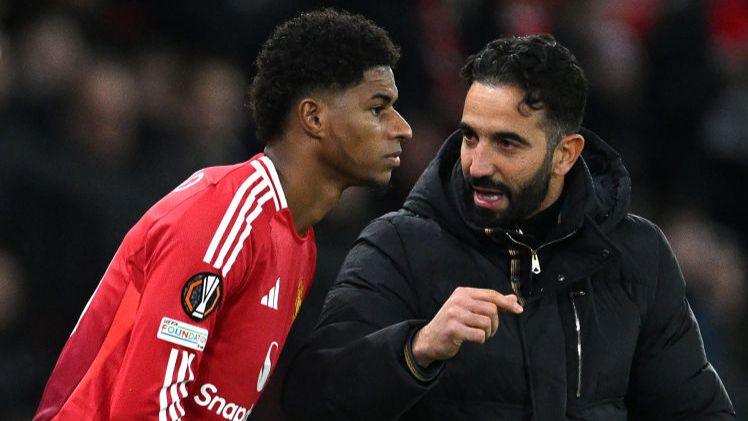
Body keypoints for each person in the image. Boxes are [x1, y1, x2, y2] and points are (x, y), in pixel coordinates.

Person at [282, 34, 735, 420]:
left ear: (566, 153)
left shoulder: (636, 254)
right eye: (471, 136)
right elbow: (312, 401)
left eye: (507, 143)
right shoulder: (397, 247)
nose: (479, 164)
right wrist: (415, 350)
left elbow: (694, 410)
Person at [34, 8, 411, 420]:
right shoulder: (225, 215)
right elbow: (145, 408)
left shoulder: (298, 245)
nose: (402, 128)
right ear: (314, 117)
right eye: (378, 108)